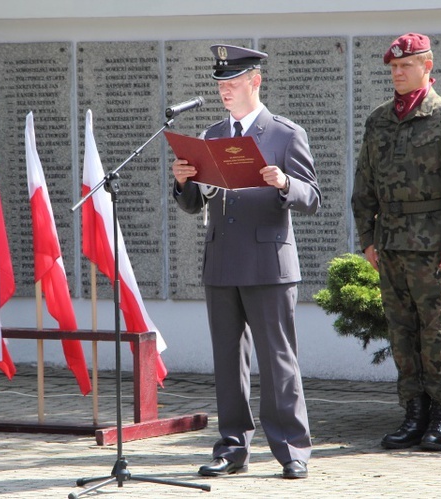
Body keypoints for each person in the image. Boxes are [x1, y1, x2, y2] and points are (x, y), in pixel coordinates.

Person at [171, 44, 321, 479]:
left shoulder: (285, 134)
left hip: (268, 263)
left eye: (233, 83)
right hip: (220, 261)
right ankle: (232, 446)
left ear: (255, 81)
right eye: (220, 84)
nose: (225, 90)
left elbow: (312, 197)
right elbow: (194, 202)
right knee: (227, 360)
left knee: (278, 360)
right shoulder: (212, 135)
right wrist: (183, 184)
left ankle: (292, 448)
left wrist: (285, 182)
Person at [351, 33, 441, 451]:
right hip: (389, 244)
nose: (397, 73)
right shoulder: (378, 120)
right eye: (393, 67)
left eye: (405, 66)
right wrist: (368, 240)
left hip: (433, 246)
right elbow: (364, 186)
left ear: (427, 67)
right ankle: (413, 413)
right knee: (402, 333)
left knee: (439, 331)